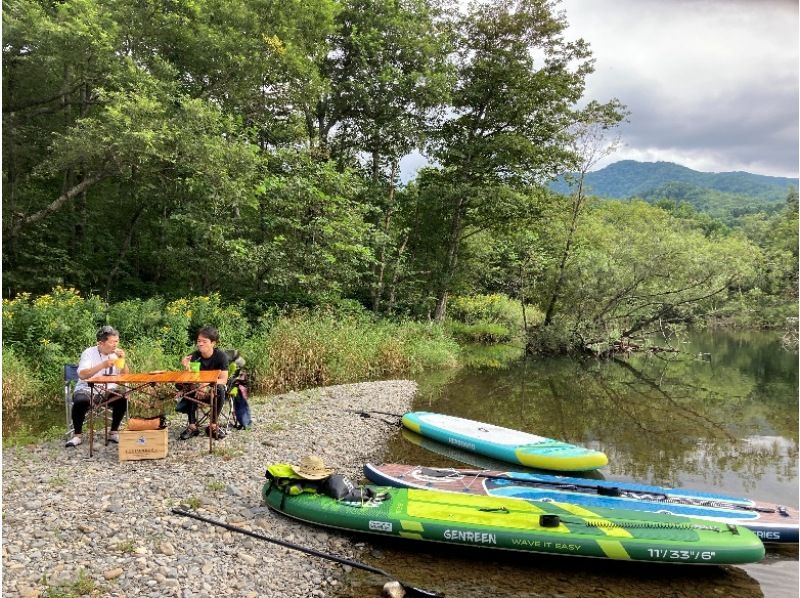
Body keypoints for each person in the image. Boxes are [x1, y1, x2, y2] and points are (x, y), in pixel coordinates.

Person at [65, 325, 129, 448]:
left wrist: (123, 359)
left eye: (117, 341)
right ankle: (77, 436)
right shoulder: (88, 353)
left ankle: (113, 432)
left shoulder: (116, 354)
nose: (115, 345)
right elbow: (82, 374)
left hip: (108, 389)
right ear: (101, 343)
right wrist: (103, 365)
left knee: (121, 398)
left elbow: (125, 376)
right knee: (80, 401)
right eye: (112, 342)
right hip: (87, 388)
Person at [176, 326, 229, 440]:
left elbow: (224, 380)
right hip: (198, 389)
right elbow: (190, 378)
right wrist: (186, 367)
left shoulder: (221, 356)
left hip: (214, 390)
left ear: (213, 343)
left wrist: (206, 384)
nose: (200, 344)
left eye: (204, 341)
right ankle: (192, 427)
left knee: (220, 388)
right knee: (189, 386)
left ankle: (213, 426)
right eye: (199, 341)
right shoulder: (194, 356)